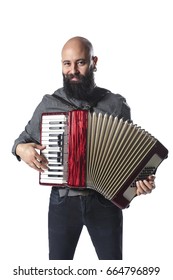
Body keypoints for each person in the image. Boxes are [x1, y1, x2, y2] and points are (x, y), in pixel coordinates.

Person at [12, 36, 156, 260]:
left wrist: (139, 185)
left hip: (105, 202)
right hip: (62, 200)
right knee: (58, 268)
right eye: (67, 64)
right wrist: (23, 150)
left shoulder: (115, 104)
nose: (73, 71)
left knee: (112, 266)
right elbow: (21, 141)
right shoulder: (49, 104)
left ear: (94, 62)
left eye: (80, 62)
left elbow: (131, 157)